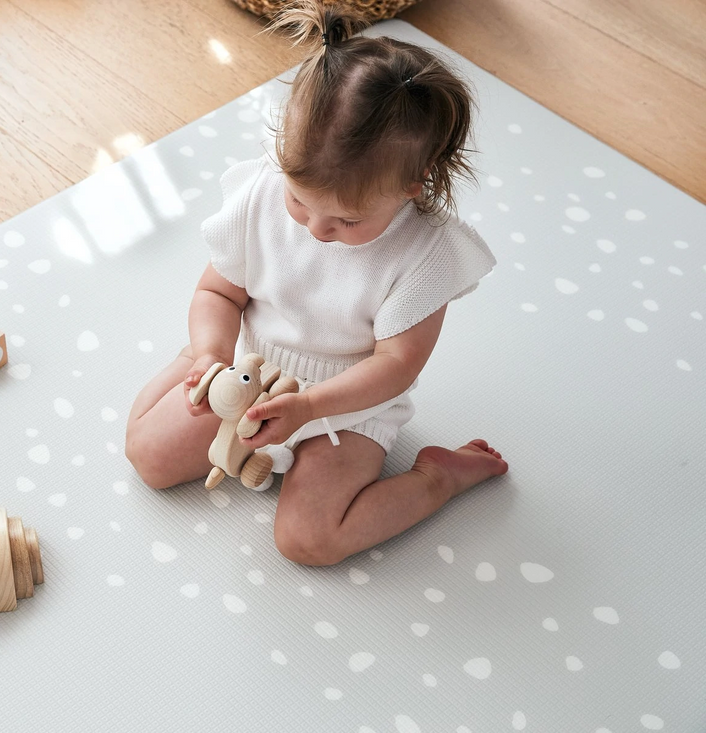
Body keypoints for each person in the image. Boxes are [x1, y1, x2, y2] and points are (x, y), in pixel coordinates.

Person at [124, 1, 509, 566]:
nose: (316, 229)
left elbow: (395, 366)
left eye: (348, 221)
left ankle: (438, 479)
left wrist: (307, 409)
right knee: (148, 457)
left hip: (347, 406)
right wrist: (209, 355)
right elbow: (218, 292)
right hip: (249, 373)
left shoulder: (426, 253)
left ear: (412, 185)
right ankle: (192, 361)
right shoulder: (261, 195)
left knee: (308, 541)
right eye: (300, 202)